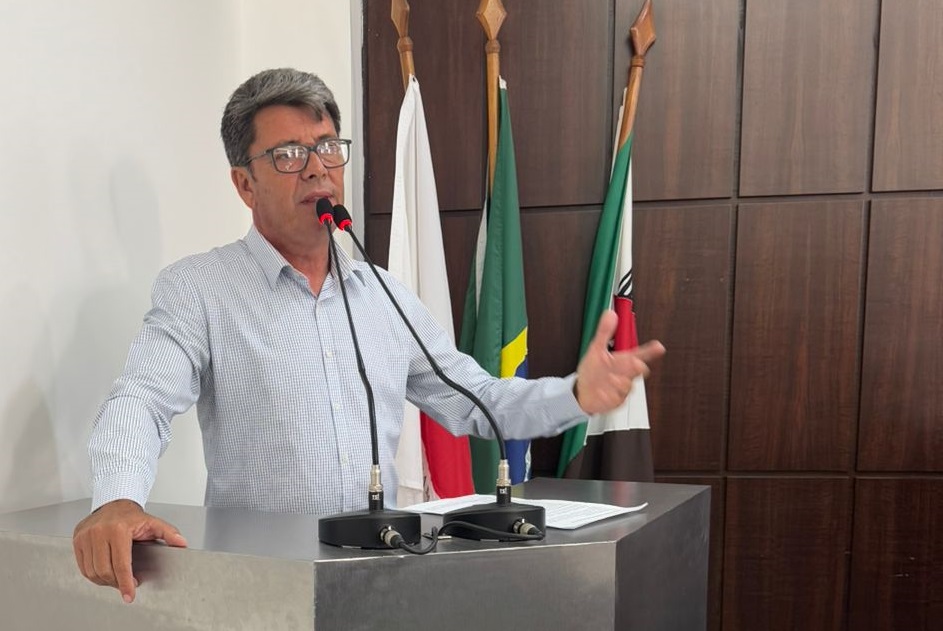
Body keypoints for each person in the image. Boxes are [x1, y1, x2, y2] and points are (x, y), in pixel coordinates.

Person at [72, 68, 665, 603]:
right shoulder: (199, 289)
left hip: (382, 581)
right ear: (245, 184)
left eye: (328, 147)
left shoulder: (384, 295)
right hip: (262, 589)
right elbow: (142, 400)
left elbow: (477, 400)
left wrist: (576, 395)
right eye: (288, 154)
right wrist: (118, 498)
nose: (317, 168)